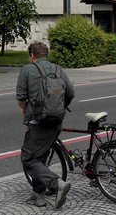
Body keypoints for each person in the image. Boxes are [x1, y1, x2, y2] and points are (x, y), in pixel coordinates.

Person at [17, 42, 75, 208]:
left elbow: (21, 98)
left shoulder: (27, 70)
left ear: (32, 55)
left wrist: (24, 110)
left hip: (37, 122)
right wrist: (57, 108)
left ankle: (57, 184)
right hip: (56, 120)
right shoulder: (58, 69)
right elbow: (70, 93)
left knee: (28, 159)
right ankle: (38, 195)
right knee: (40, 157)